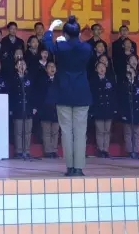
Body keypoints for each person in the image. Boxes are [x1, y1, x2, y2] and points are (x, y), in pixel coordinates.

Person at [42, 16, 92, 177]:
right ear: (79, 33)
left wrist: (50, 29)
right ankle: (79, 167)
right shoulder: (86, 48)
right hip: (81, 93)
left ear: (65, 34)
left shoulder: (61, 47)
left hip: (63, 92)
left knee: (66, 131)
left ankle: (70, 167)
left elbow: (47, 44)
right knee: (80, 132)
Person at [120, 65, 139, 159]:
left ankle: (136, 151)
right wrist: (122, 113)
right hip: (127, 112)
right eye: (128, 72)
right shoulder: (123, 84)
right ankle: (129, 151)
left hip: (137, 112)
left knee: (136, 133)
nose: (130, 73)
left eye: (132, 71)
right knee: (128, 133)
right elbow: (121, 100)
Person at [9, 59, 36, 158]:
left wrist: (34, 107)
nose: (21, 66)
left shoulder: (29, 78)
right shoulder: (13, 78)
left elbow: (33, 93)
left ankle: (27, 151)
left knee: (27, 131)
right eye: (19, 64)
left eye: (23, 64)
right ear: (16, 66)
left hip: (28, 107)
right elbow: (11, 95)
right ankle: (19, 151)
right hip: (17, 107)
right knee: (18, 131)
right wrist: (11, 108)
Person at [89, 62, 116, 158]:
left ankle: (106, 149)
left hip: (108, 109)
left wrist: (114, 108)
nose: (102, 69)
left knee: (107, 131)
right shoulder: (93, 81)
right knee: (100, 130)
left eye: (103, 67)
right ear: (96, 69)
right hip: (98, 109)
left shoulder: (110, 80)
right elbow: (92, 96)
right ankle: (100, 149)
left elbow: (113, 95)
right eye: (99, 67)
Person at [36, 61, 60, 158]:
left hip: (56, 110)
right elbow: (38, 95)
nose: (52, 68)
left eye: (53, 66)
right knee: (46, 132)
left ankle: (54, 150)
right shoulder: (42, 81)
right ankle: (48, 151)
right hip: (45, 109)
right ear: (46, 69)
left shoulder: (59, 81)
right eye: (49, 66)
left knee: (55, 132)